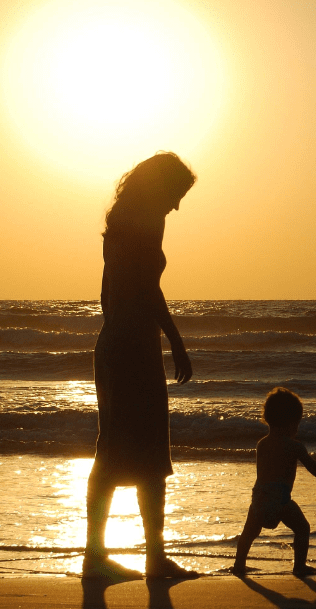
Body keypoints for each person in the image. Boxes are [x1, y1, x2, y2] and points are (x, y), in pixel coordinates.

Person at [84, 152, 198, 580]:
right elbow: (149, 289)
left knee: (110, 448)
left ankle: (98, 556)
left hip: (114, 343)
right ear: (163, 186)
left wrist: (113, 332)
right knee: (149, 452)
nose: (177, 206)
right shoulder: (150, 216)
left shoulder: (118, 222)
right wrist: (175, 340)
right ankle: (151, 558)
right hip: (134, 347)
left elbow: (107, 290)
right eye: (178, 194)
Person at [231, 387, 316, 577]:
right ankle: (299, 566)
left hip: (259, 498)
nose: (297, 428)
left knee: (248, 534)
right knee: (302, 528)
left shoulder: (262, 444)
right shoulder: (295, 446)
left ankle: (239, 565)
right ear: (290, 422)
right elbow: (312, 466)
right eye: (297, 423)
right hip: (281, 500)